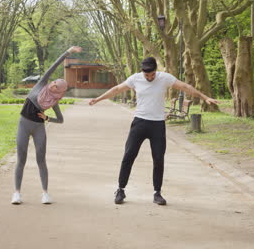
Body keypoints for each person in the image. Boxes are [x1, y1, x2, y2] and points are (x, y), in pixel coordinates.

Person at [89, 57, 219, 205]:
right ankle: (120, 189)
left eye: (152, 75)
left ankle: (157, 193)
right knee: (128, 156)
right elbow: (117, 89)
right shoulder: (135, 79)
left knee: (158, 158)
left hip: (157, 125)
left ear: (156, 70)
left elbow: (185, 87)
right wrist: (98, 99)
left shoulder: (164, 78)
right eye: (147, 75)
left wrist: (204, 97)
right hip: (139, 123)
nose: (150, 77)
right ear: (142, 72)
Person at [11, 46, 82, 205]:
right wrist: (68, 52)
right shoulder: (41, 84)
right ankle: (16, 193)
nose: (53, 86)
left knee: (41, 160)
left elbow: (61, 119)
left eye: (57, 87)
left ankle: (45, 194)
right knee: (21, 159)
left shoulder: (55, 101)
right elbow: (55, 65)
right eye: (54, 83)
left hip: (38, 128)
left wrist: (47, 117)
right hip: (23, 124)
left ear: (60, 91)